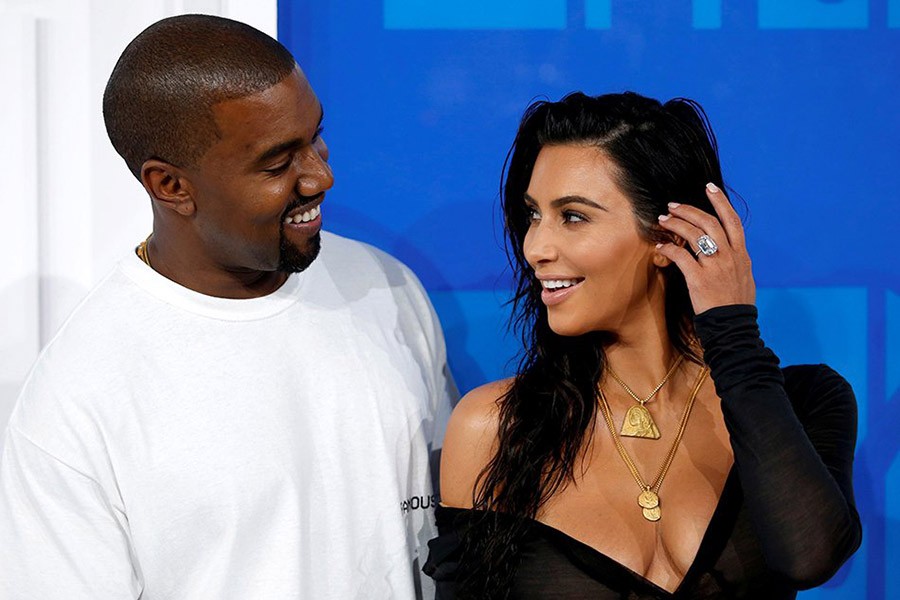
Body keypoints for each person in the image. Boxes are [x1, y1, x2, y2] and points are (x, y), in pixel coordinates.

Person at [0, 14, 455, 599]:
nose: (321, 176)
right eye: (277, 162)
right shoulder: (76, 403)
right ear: (171, 186)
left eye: (315, 137)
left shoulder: (386, 286)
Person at [423, 92, 861, 598]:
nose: (535, 248)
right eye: (533, 215)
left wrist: (734, 333)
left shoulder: (805, 402)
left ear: (668, 237)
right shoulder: (495, 426)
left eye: (573, 216)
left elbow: (807, 557)